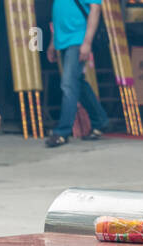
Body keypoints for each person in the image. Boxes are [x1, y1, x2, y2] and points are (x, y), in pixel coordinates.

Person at [45, 0, 108, 148]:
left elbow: (95, 9)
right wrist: (53, 42)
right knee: (76, 81)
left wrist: (87, 42)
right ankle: (100, 120)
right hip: (63, 40)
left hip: (78, 39)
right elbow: (58, 13)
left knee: (68, 84)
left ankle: (62, 132)